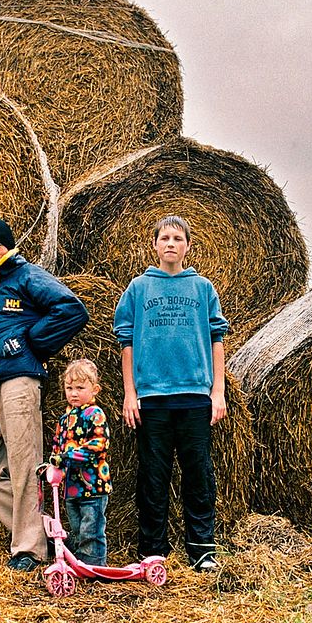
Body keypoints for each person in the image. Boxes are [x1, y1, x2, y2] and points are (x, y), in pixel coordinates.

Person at [0, 218, 88, 572]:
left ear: (10, 245)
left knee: (24, 465)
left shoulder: (26, 275)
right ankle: (41, 530)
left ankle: (30, 550)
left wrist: (30, 342)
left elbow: (71, 309)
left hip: (20, 380)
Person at [112, 215, 229, 572]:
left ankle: (202, 549)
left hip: (195, 395)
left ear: (188, 246)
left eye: (178, 238)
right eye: (165, 238)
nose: (171, 244)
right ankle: (152, 550)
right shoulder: (139, 288)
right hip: (152, 399)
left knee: (198, 475)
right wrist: (130, 394)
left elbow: (217, 340)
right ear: (155, 245)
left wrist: (218, 392)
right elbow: (126, 342)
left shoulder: (203, 288)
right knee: (153, 476)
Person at [48, 359, 112, 567]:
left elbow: (98, 444)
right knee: (75, 528)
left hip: (92, 486)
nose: (73, 393)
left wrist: (68, 457)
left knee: (90, 529)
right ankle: (79, 564)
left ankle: (94, 565)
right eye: (69, 388)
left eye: (79, 388)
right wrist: (51, 465)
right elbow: (57, 448)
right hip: (71, 488)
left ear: (95, 389)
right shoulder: (64, 420)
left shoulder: (95, 414)